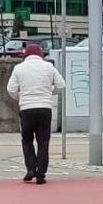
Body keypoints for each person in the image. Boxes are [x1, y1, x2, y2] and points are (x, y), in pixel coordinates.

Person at [5, 44, 65, 184]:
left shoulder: (19, 68)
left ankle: (30, 169)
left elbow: (11, 89)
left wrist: (21, 97)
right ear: (40, 55)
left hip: (27, 109)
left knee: (27, 139)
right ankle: (41, 174)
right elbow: (61, 84)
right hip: (45, 108)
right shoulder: (49, 67)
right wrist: (50, 93)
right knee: (43, 141)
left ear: (25, 55)